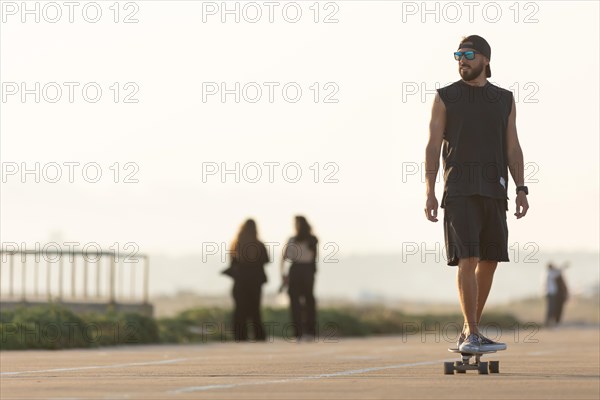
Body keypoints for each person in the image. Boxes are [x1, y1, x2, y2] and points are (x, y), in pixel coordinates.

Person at [424, 35, 530, 352]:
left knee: (490, 260)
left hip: (496, 190)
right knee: (466, 257)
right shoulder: (446, 97)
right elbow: (431, 147)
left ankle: (472, 329)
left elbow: (513, 147)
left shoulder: (505, 99)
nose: (462, 60)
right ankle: (471, 332)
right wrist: (429, 190)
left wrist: (522, 187)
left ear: (485, 59)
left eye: (468, 54)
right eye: (458, 55)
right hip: (458, 190)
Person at [226, 219, 270, 341]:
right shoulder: (259, 244)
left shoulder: (236, 244)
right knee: (255, 308)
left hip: (240, 280)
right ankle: (258, 335)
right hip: (255, 281)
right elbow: (266, 260)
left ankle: (240, 336)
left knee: (240, 309)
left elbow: (232, 261)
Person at [280, 216, 318, 340]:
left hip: (301, 270)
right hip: (302, 270)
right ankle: (303, 332)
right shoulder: (299, 239)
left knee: (305, 302)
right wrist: (283, 274)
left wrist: (283, 274)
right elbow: (284, 257)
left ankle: (305, 332)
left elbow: (284, 257)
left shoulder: (311, 239)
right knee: (299, 302)